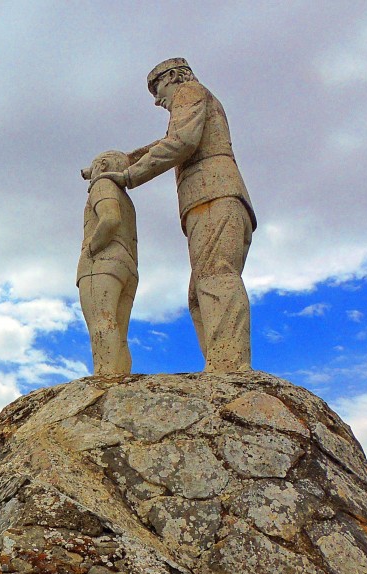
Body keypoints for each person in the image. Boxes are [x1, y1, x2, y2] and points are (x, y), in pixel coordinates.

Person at [97, 58, 255, 372]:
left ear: (173, 77)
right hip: (212, 198)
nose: (157, 100)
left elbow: (181, 141)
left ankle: (230, 368)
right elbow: (169, 141)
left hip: (213, 194)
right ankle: (221, 363)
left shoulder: (189, 90)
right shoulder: (197, 98)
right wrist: (122, 160)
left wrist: (130, 176)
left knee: (215, 279)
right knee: (200, 293)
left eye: (158, 89)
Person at [78, 150, 138, 375]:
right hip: (128, 263)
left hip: (104, 261)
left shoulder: (102, 184)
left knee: (101, 321)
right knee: (119, 331)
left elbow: (110, 219)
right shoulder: (126, 198)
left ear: (102, 165)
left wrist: (91, 249)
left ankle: (106, 376)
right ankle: (120, 377)